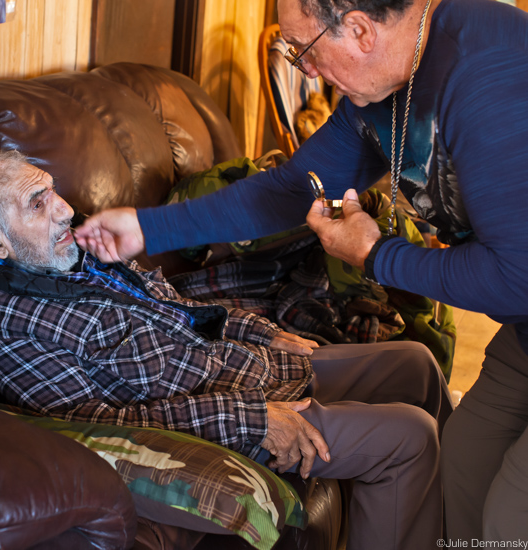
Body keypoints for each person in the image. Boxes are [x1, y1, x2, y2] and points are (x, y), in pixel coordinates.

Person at [74, 0, 528, 542]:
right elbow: (292, 189)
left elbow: (516, 276)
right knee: (463, 468)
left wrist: (376, 254)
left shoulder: (488, 74)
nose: (304, 70)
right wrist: (147, 231)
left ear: (360, 29)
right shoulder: (385, 78)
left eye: (304, 49)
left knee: (509, 516)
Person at [0, 150, 453, 550]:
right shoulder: (4, 322)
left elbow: (176, 306)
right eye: (37, 203)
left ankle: (456, 526)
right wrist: (253, 420)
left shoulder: (63, 254)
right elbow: (101, 427)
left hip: (244, 368)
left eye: (52, 189)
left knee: (416, 363)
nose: (63, 208)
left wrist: (259, 331)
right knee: (408, 438)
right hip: (226, 423)